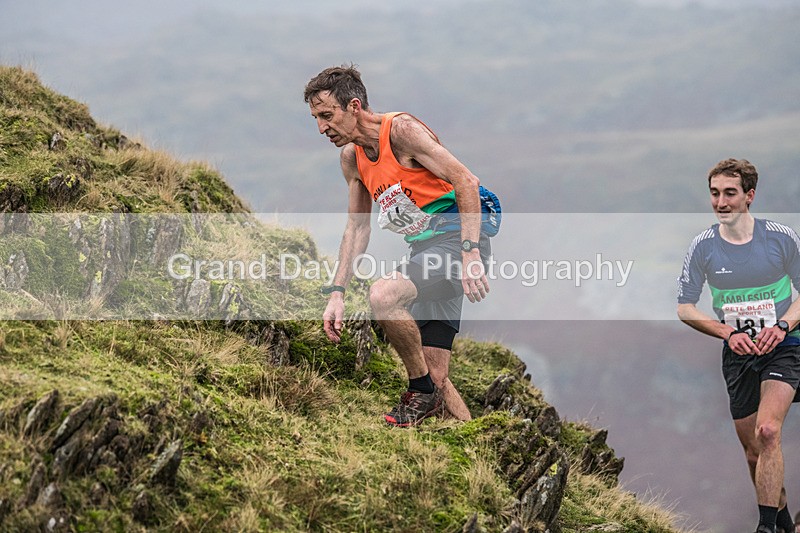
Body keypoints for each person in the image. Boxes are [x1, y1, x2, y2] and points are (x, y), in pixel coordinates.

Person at [304, 64, 500, 427]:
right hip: (425, 253)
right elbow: (357, 227)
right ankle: (475, 438)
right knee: (438, 375)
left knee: (383, 296)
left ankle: (419, 391)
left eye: (327, 116)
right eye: (316, 118)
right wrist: (337, 293)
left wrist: (471, 252)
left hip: (455, 242)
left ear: (354, 106)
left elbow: (466, 181)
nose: (321, 128)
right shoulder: (352, 159)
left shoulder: (402, 132)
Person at [677, 158, 800, 533]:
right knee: (753, 453)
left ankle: (765, 528)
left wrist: (783, 325)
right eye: (715, 193)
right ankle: (782, 521)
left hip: (784, 346)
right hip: (739, 355)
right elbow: (685, 307)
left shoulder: (780, 238)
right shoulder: (703, 247)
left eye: (730, 193)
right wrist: (728, 333)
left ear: (750, 195)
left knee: (768, 432)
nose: (721, 202)